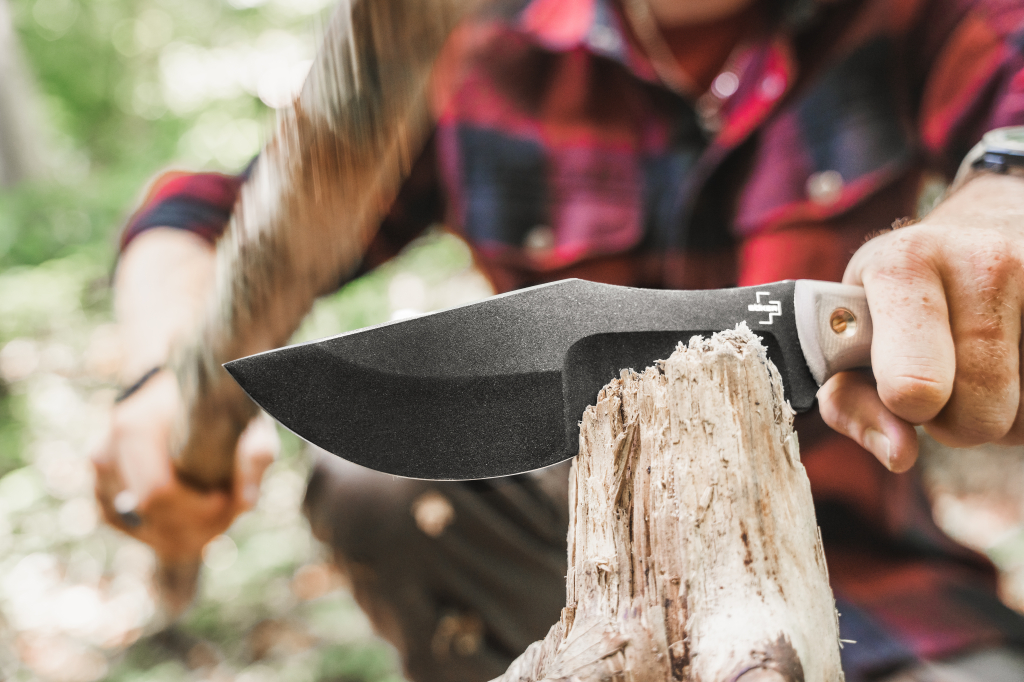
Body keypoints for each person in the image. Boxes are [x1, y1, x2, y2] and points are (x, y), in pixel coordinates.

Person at [93, 0, 1024, 679]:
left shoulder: (918, 14)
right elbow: (205, 215)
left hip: (892, 606)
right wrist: (158, 376)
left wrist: (1000, 204)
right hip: (567, 589)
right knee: (387, 491)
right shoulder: (471, 44)